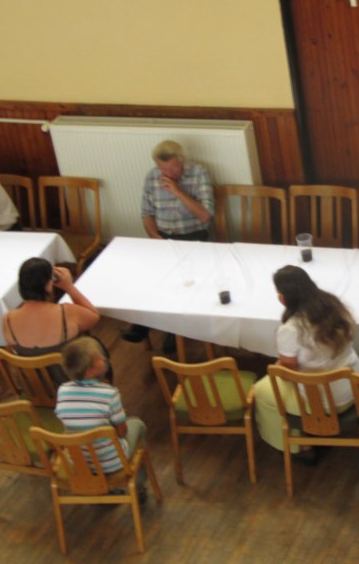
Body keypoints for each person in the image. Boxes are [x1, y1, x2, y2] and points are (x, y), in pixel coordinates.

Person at [253, 265, 359, 463]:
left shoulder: (291, 329)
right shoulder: (334, 306)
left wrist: (276, 366)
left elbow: (288, 371)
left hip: (325, 401)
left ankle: (298, 447)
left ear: (283, 298)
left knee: (262, 390)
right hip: (356, 386)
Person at [122, 139, 215, 345]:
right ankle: (142, 323)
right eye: (163, 168)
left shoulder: (199, 173)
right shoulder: (152, 177)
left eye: (173, 168)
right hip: (163, 237)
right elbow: (146, 213)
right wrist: (154, 236)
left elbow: (205, 215)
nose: (168, 173)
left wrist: (177, 191)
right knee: (151, 276)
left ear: (181, 160)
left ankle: (176, 330)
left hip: (193, 236)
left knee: (182, 280)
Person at [56, 336, 147, 476]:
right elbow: (122, 432)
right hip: (113, 463)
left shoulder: (62, 390)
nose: (104, 358)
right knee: (137, 423)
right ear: (90, 371)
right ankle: (139, 479)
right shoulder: (110, 394)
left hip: (80, 462)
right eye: (99, 358)